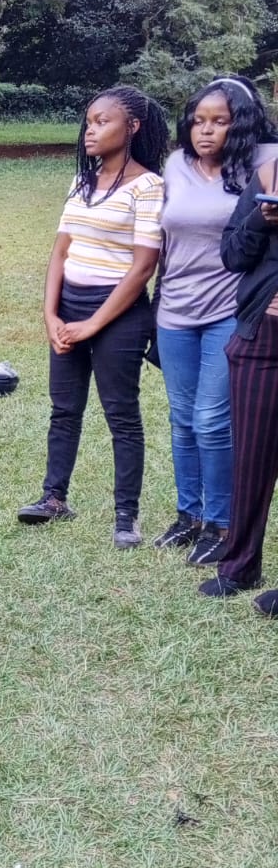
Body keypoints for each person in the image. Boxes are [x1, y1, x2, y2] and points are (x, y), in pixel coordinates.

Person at [17, 84, 166, 547]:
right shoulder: (82, 182)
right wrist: (50, 316)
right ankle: (53, 498)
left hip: (117, 316)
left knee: (121, 415)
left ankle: (126, 518)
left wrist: (93, 324)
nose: (91, 130)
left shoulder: (148, 186)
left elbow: (143, 266)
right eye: (88, 121)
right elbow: (60, 252)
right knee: (64, 411)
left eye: (103, 121)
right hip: (68, 309)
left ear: (133, 127)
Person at [153, 78, 269, 566]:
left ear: (240, 125)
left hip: (229, 310)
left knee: (210, 419)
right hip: (175, 309)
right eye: (199, 121)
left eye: (219, 122)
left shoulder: (264, 163)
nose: (206, 131)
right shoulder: (176, 164)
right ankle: (189, 515)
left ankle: (221, 524)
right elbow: (161, 236)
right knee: (182, 420)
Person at [198, 154, 278, 610]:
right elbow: (233, 255)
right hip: (262, 334)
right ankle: (240, 564)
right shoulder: (268, 174)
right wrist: (260, 217)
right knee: (251, 455)